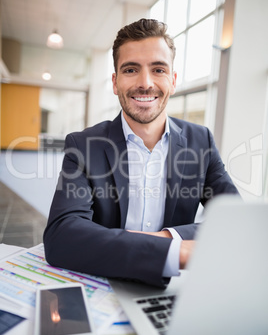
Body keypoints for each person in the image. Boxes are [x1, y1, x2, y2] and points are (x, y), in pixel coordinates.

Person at [43, 18, 238, 288]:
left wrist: (165, 239)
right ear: (115, 82)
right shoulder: (84, 144)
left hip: (173, 289)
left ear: (173, 79)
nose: (145, 83)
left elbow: (234, 221)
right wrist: (177, 251)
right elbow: (60, 237)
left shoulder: (200, 141)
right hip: (105, 283)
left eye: (158, 69)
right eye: (131, 69)